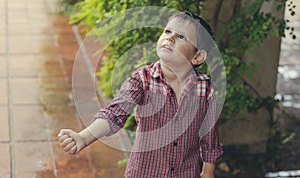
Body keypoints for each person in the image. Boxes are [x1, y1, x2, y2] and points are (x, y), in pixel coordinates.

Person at [58, 11, 223, 178]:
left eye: (181, 37)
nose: (170, 38)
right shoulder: (143, 80)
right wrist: (83, 137)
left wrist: (207, 173)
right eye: (167, 31)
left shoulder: (205, 90)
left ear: (197, 56)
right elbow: (115, 114)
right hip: (144, 173)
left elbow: (209, 136)